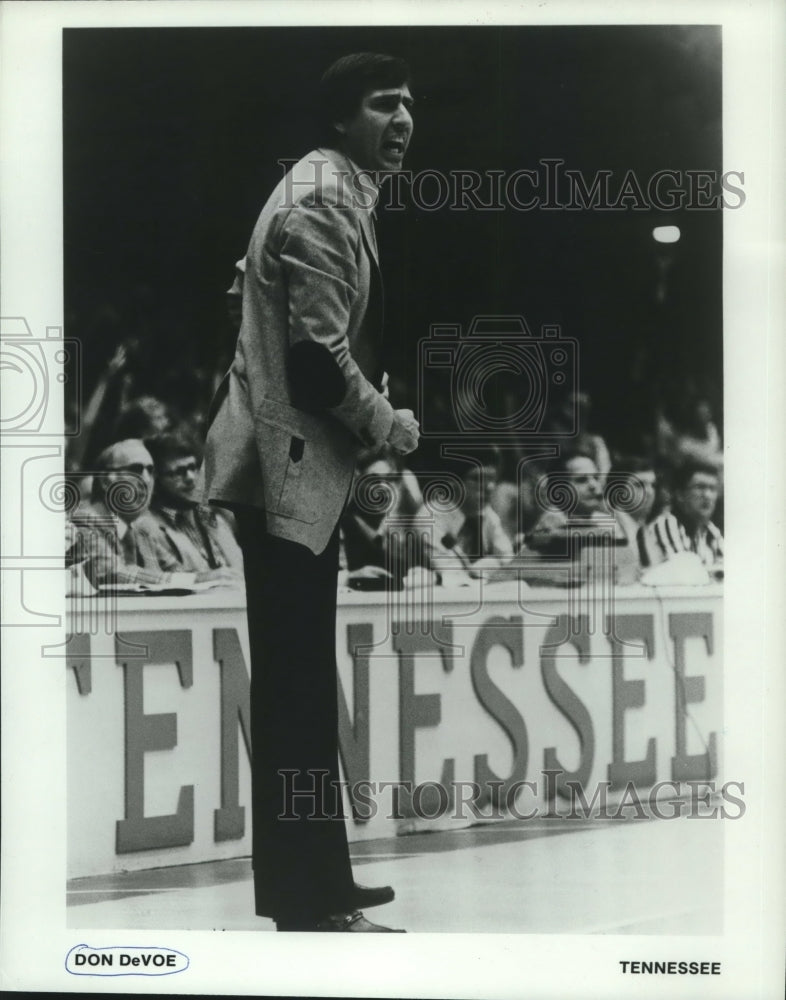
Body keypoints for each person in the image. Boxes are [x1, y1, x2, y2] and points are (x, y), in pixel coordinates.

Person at [199, 53, 419, 932]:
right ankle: (305, 894)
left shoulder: (324, 184)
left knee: (299, 686)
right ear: (341, 118)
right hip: (289, 470)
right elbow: (314, 360)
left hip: (282, 463)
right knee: (295, 692)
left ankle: (315, 880)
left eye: (410, 105)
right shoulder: (326, 197)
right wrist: (385, 423)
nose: (403, 120)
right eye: (383, 104)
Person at [68, 439, 237, 591]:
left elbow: (176, 572)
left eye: (150, 470)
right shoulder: (84, 520)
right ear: (106, 481)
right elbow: (110, 572)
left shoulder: (141, 530)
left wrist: (216, 577)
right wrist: (198, 578)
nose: (146, 480)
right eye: (136, 470)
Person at [145, 432, 243, 576]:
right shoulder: (148, 528)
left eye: (192, 467)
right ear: (156, 481)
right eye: (179, 472)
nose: (191, 478)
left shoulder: (214, 519)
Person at [640, 461, 724, 574]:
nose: (707, 495)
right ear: (680, 495)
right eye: (700, 487)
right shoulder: (666, 524)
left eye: (712, 489)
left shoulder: (711, 530)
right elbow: (684, 573)